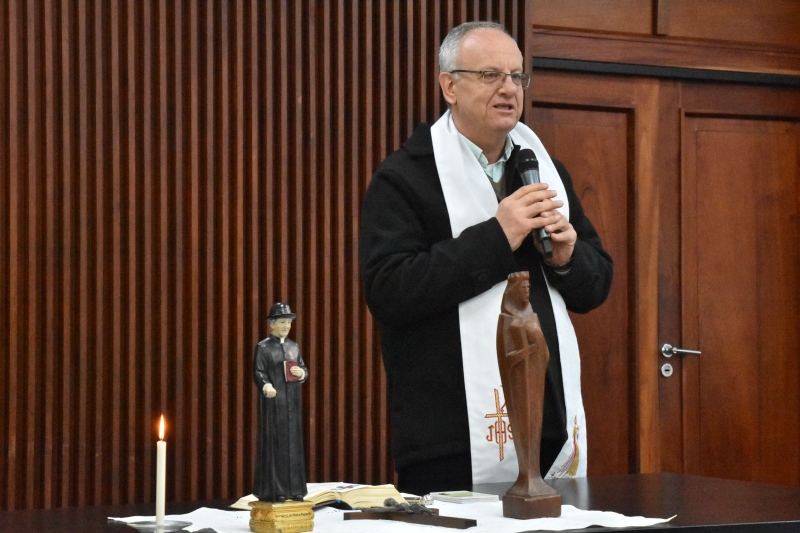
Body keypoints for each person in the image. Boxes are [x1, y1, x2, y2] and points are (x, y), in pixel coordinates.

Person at [359, 21, 613, 496]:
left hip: (548, 430)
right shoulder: (405, 177)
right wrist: (498, 237)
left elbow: (596, 285)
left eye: (517, 77)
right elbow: (389, 291)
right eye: (490, 75)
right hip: (449, 438)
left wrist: (567, 257)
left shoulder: (542, 169)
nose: (508, 89)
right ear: (449, 85)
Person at [252, 302, 309, 503]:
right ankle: (276, 490)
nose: (286, 326)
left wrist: (301, 373)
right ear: (272, 325)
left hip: (292, 405)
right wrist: (266, 385)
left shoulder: (294, 346)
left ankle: (295, 490)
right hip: (274, 406)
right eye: (282, 322)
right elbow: (258, 371)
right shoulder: (263, 347)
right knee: (276, 447)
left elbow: (302, 367)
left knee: (294, 447)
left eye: (288, 322)